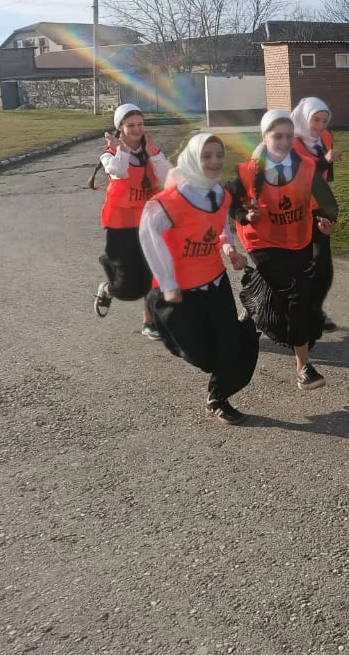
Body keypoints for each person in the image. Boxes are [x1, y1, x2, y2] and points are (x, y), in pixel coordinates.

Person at [140, 133, 259, 425]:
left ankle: (218, 398)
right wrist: (168, 283)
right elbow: (149, 236)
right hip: (181, 292)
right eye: (207, 155)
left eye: (219, 155)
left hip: (215, 283)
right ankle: (166, 329)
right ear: (194, 159)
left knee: (231, 346)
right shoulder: (170, 202)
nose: (215, 161)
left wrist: (230, 250)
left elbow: (221, 229)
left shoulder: (221, 195)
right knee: (199, 352)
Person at [227, 109, 338, 391]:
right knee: (297, 293)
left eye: (289, 136)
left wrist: (326, 222)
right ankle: (303, 367)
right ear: (264, 137)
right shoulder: (246, 171)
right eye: (277, 136)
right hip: (261, 242)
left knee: (289, 291)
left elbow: (325, 201)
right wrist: (244, 215)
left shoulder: (307, 166)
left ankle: (253, 303)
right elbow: (230, 202)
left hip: (297, 239)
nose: (284, 142)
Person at [93, 103, 172, 339]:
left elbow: (168, 177)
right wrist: (122, 150)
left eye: (140, 124)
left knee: (152, 273)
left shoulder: (150, 151)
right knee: (128, 288)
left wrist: (152, 153)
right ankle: (109, 287)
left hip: (148, 221)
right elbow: (119, 172)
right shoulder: (110, 154)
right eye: (130, 126)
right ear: (120, 128)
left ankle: (150, 322)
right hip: (121, 225)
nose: (137, 130)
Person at [291, 97, 341, 332]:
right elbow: (301, 172)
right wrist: (324, 160)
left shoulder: (326, 137)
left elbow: (327, 174)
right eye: (316, 120)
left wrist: (329, 204)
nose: (320, 126)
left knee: (323, 264)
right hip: (296, 209)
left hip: (320, 206)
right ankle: (290, 308)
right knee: (299, 263)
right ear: (304, 117)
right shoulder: (290, 140)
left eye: (324, 120)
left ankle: (316, 309)